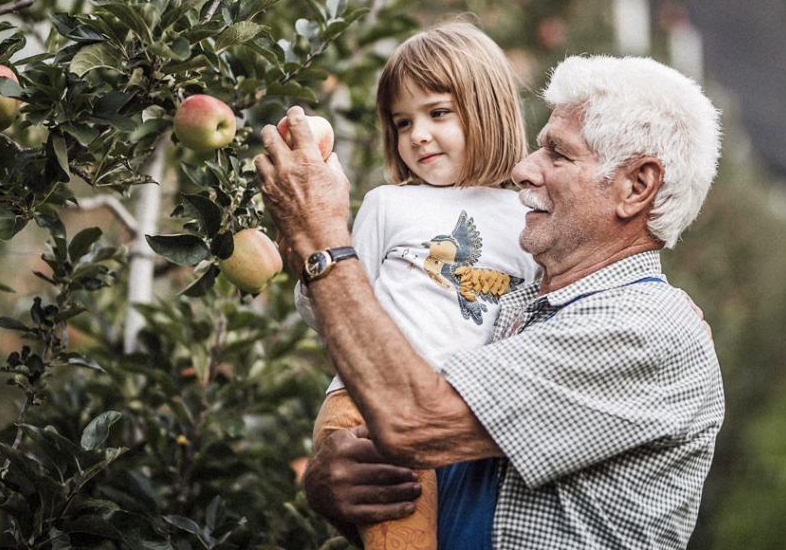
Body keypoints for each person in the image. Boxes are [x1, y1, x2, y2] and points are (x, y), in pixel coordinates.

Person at [255, 54, 725, 548]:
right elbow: (436, 493)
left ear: (636, 186)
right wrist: (338, 489)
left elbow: (414, 420)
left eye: (557, 155)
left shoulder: (645, 331)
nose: (523, 169)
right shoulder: (512, 310)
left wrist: (321, 236)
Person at [290, 22, 539, 550]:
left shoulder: (528, 218)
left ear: (488, 108)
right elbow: (335, 308)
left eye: (438, 113)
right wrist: (306, 252)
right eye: (402, 123)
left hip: (455, 424)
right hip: (367, 408)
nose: (417, 135)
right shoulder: (389, 203)